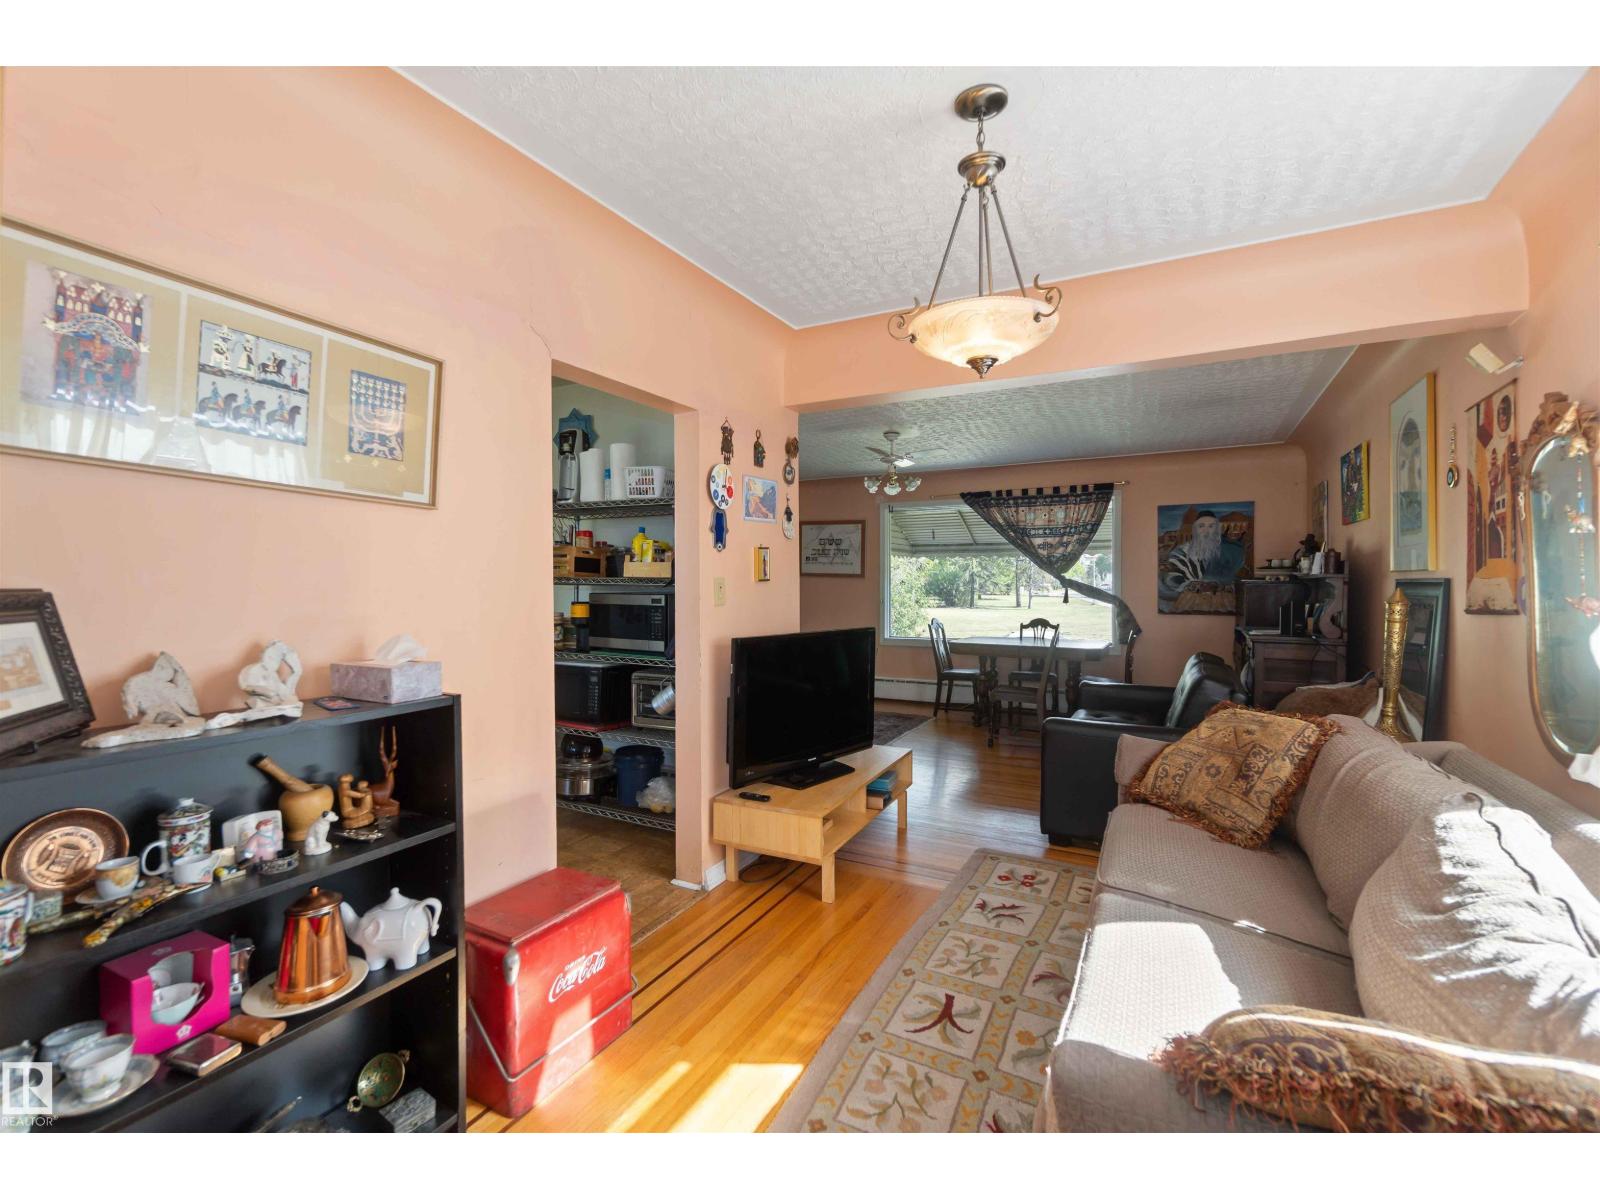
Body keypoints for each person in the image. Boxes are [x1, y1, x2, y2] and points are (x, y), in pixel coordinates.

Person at [1160, 510, 1246, 599]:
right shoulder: (1180, 552)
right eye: (1201, 526)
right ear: (1195, 530)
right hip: (1190, 599)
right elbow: (1170, 578)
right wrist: (1190, 585)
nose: (1206, 531)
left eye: (1211, 526)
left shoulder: (1230, 552)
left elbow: (1235, 578)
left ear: (1217, 530)